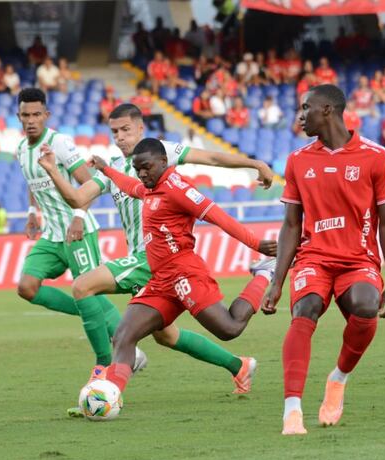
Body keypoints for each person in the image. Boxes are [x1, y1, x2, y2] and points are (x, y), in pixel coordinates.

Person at [34, 103, 275, 400]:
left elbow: (215, 211)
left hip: (174, 268)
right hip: (159, 276)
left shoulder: (170, 169)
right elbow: (113, 190)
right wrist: (99, 169)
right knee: (145, 335)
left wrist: (256, 240)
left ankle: (263, 273)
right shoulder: (143, 180)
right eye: (114, 132)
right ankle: (111, 396)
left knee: (228, 328)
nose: (120, 137)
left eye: (125, 130)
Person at [262, 84, 385, 435]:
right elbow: (291, 224)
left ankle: (338, 378)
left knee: (366, 308)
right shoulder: (298, 160)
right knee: (304, 308)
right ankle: (291, 410)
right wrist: (276, 282)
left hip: (358, 259)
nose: (300, 116)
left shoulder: (376, 156)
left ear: (327, 110)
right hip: (314, 258)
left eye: (306, 108)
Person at [13, 87, 136, 390]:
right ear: (19, 116)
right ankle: (119, 338)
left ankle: (106, 364)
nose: (31, 120)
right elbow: (34, 179)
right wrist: (32, 210)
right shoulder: (20, 149)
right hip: (52, 233)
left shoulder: (60, 143)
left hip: (78, 230)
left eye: (36, 114)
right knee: (27, 287)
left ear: (46, 115)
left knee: (88, 292)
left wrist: (79, 217)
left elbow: (89, 182)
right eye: (25, 115)